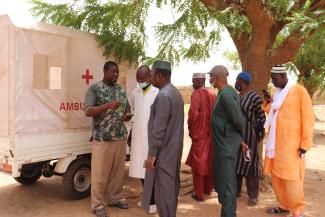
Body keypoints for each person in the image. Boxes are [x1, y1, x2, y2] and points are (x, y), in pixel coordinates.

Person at [264, 65, 314, 217]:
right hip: (276, 145)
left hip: (292, 147)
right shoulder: (277, 93)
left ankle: (297, 211)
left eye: (274, 79)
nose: (272, 82)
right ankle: (283, 205)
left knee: (292, 180)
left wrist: (305, 144)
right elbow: (273, 110)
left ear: (283, 76)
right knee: (277, 178)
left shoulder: (299, 91)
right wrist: (268, 102)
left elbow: (308, 118)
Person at [84, 61, 132, 217]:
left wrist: (127, 114)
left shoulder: (120, 89)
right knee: (100, 174)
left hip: (119, 137)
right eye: (113, 72)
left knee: (117, 174)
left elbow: (127, 107)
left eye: (117, 72)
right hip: (103, 139)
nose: (116, 74)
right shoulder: (94, 89)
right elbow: (88, 111)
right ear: (105, 71)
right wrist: (108, 105)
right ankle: (97, 204)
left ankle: (115, 198)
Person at [142, 60, 184, 217]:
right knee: (171, 188)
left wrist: (152, 155)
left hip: (164, 153)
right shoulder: (175, 93)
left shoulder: (164, 96)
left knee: (163, 192)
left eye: (152, 75)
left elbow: (158, 130)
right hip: (173, 151)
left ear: (160, 75)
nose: (150, 79)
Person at [209, 65, 244, 217]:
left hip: (226, 147)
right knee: (224, 182)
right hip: (225, 145)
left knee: (227, 184)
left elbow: (238, 120)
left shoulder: (226, 95)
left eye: (210, 76)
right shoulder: (225, 92)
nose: (209, 79)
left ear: (215, 78)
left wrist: (235, 137)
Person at [129, 65, 159, 213]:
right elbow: (134, 112)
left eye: (142, 78)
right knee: (141, 170)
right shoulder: (135, 92)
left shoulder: (157, 93)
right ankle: (147, 198)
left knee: (150, 170)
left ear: (149, 77)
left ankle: (153, 202)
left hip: (151, 138)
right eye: (137, 78)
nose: (139, 81)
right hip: (138, 137)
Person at [234, 72, 266, 206]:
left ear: (243, 82)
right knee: (237, 164)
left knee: (251, 164)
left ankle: (253, 196)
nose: (236, 83)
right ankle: (236, 191)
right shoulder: (237, 96)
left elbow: (262, 117)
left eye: (237, 81)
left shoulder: (254, 97)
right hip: (237, 137)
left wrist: (258, 134)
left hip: (250, 137)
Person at [185, 72, 216, 201]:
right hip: (211, 135)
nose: (192, 83)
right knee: (209, 162)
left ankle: (199, 194)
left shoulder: (197, 94)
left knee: (198, 166)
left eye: (193, 81)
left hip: (200, 135)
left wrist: (192, 131)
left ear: (198, 81)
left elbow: (193, 115)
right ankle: (208, 190)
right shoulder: (212, 94)